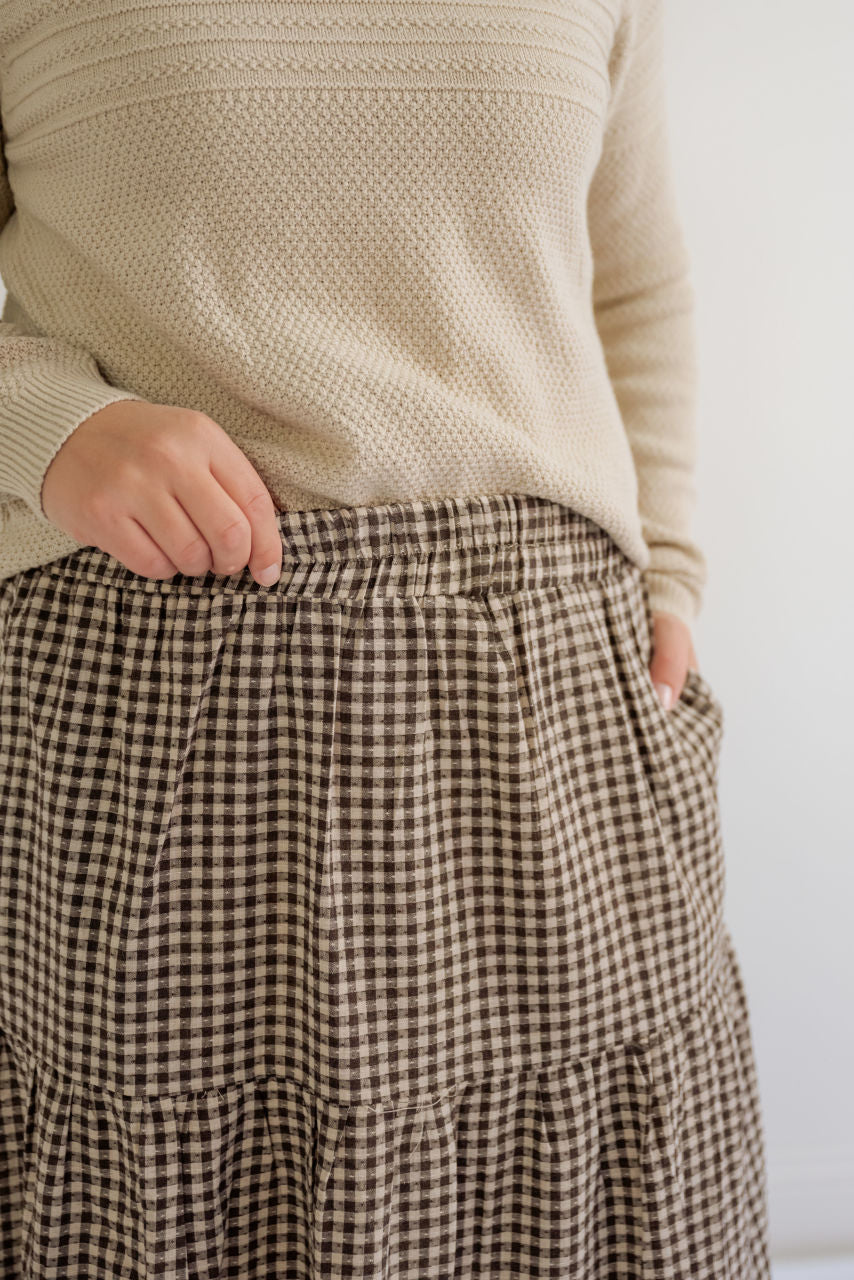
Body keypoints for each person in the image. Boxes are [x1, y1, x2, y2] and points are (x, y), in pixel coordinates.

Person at [0, 1, 771, 1276]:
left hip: (556, 704)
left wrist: (668, 572)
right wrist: (49, 429)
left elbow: (634, 284)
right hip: (162, 712)